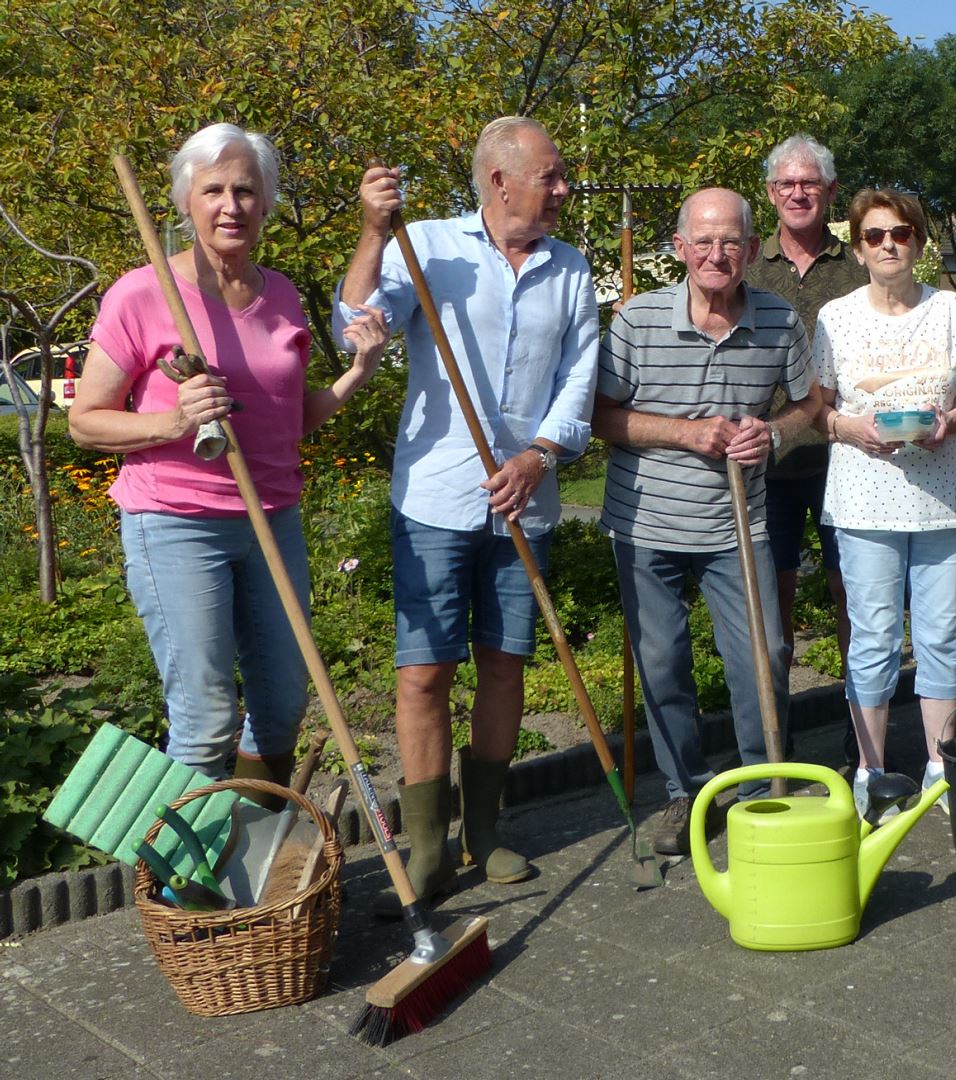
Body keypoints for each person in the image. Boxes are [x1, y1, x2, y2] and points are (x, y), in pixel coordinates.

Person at [70, 123, 388, 806]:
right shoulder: (141, 293)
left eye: (245, 189)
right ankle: (192, 892)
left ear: (266, 202)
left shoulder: (280, 295)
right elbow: (85, 421)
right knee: (205, 716)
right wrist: (175, 420)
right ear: (185, 202)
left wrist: (356, 374)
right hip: (176, 521)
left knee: (280, 706)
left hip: (273, 516)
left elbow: (286, 421)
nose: (230, 204)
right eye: (212, 189)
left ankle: (248, 850)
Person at [334, 117, 599, 905]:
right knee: (423, 671)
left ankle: (483, 831)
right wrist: (372, 231)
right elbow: (356, 313)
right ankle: (426, 846)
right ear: (498, 181)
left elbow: (580, 374)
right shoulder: (427, 245)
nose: (561, 190)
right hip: (437, 497)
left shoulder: (571, 268)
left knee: (504, 664)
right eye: (550, 177)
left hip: (528, 495)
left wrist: (540, 455)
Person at [593, 187, 819, 855]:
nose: (716, 254)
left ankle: (758, 786)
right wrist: (682, 433)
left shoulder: (779, 320)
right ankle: (684, 791)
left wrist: (772, 436)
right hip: (647, 522)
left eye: (730, 242)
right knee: (661, 663)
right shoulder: (636, 320)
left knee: (764, 655)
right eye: (703, 241)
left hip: (737, 522)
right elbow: (601, 419)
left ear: (752, 249)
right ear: (680, 249)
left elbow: (809, 404)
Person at [813, 188, 956, 819]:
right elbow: (818, 406)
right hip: (864, 499)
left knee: (943, 634)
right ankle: (871, 771)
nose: (889, 244)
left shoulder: (951, 309)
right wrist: (849, 428)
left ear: (917, 241)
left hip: (941, 498)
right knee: (874, 639)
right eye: (874, 235)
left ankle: (940, 766)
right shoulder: (835, 317)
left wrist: (954, 422)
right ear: (859, 248)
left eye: (901, 233)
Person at [746, 134, 867, 682]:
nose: (799, 193)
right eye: (788, 184)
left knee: (854, 595)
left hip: (847, 458)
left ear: (831, 191)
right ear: (771, 192)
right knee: (774, 596)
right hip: (767, 462)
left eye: (810, 183)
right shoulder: (746, 264)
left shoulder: (859, 265)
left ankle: (859, 733)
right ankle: (778, 739)